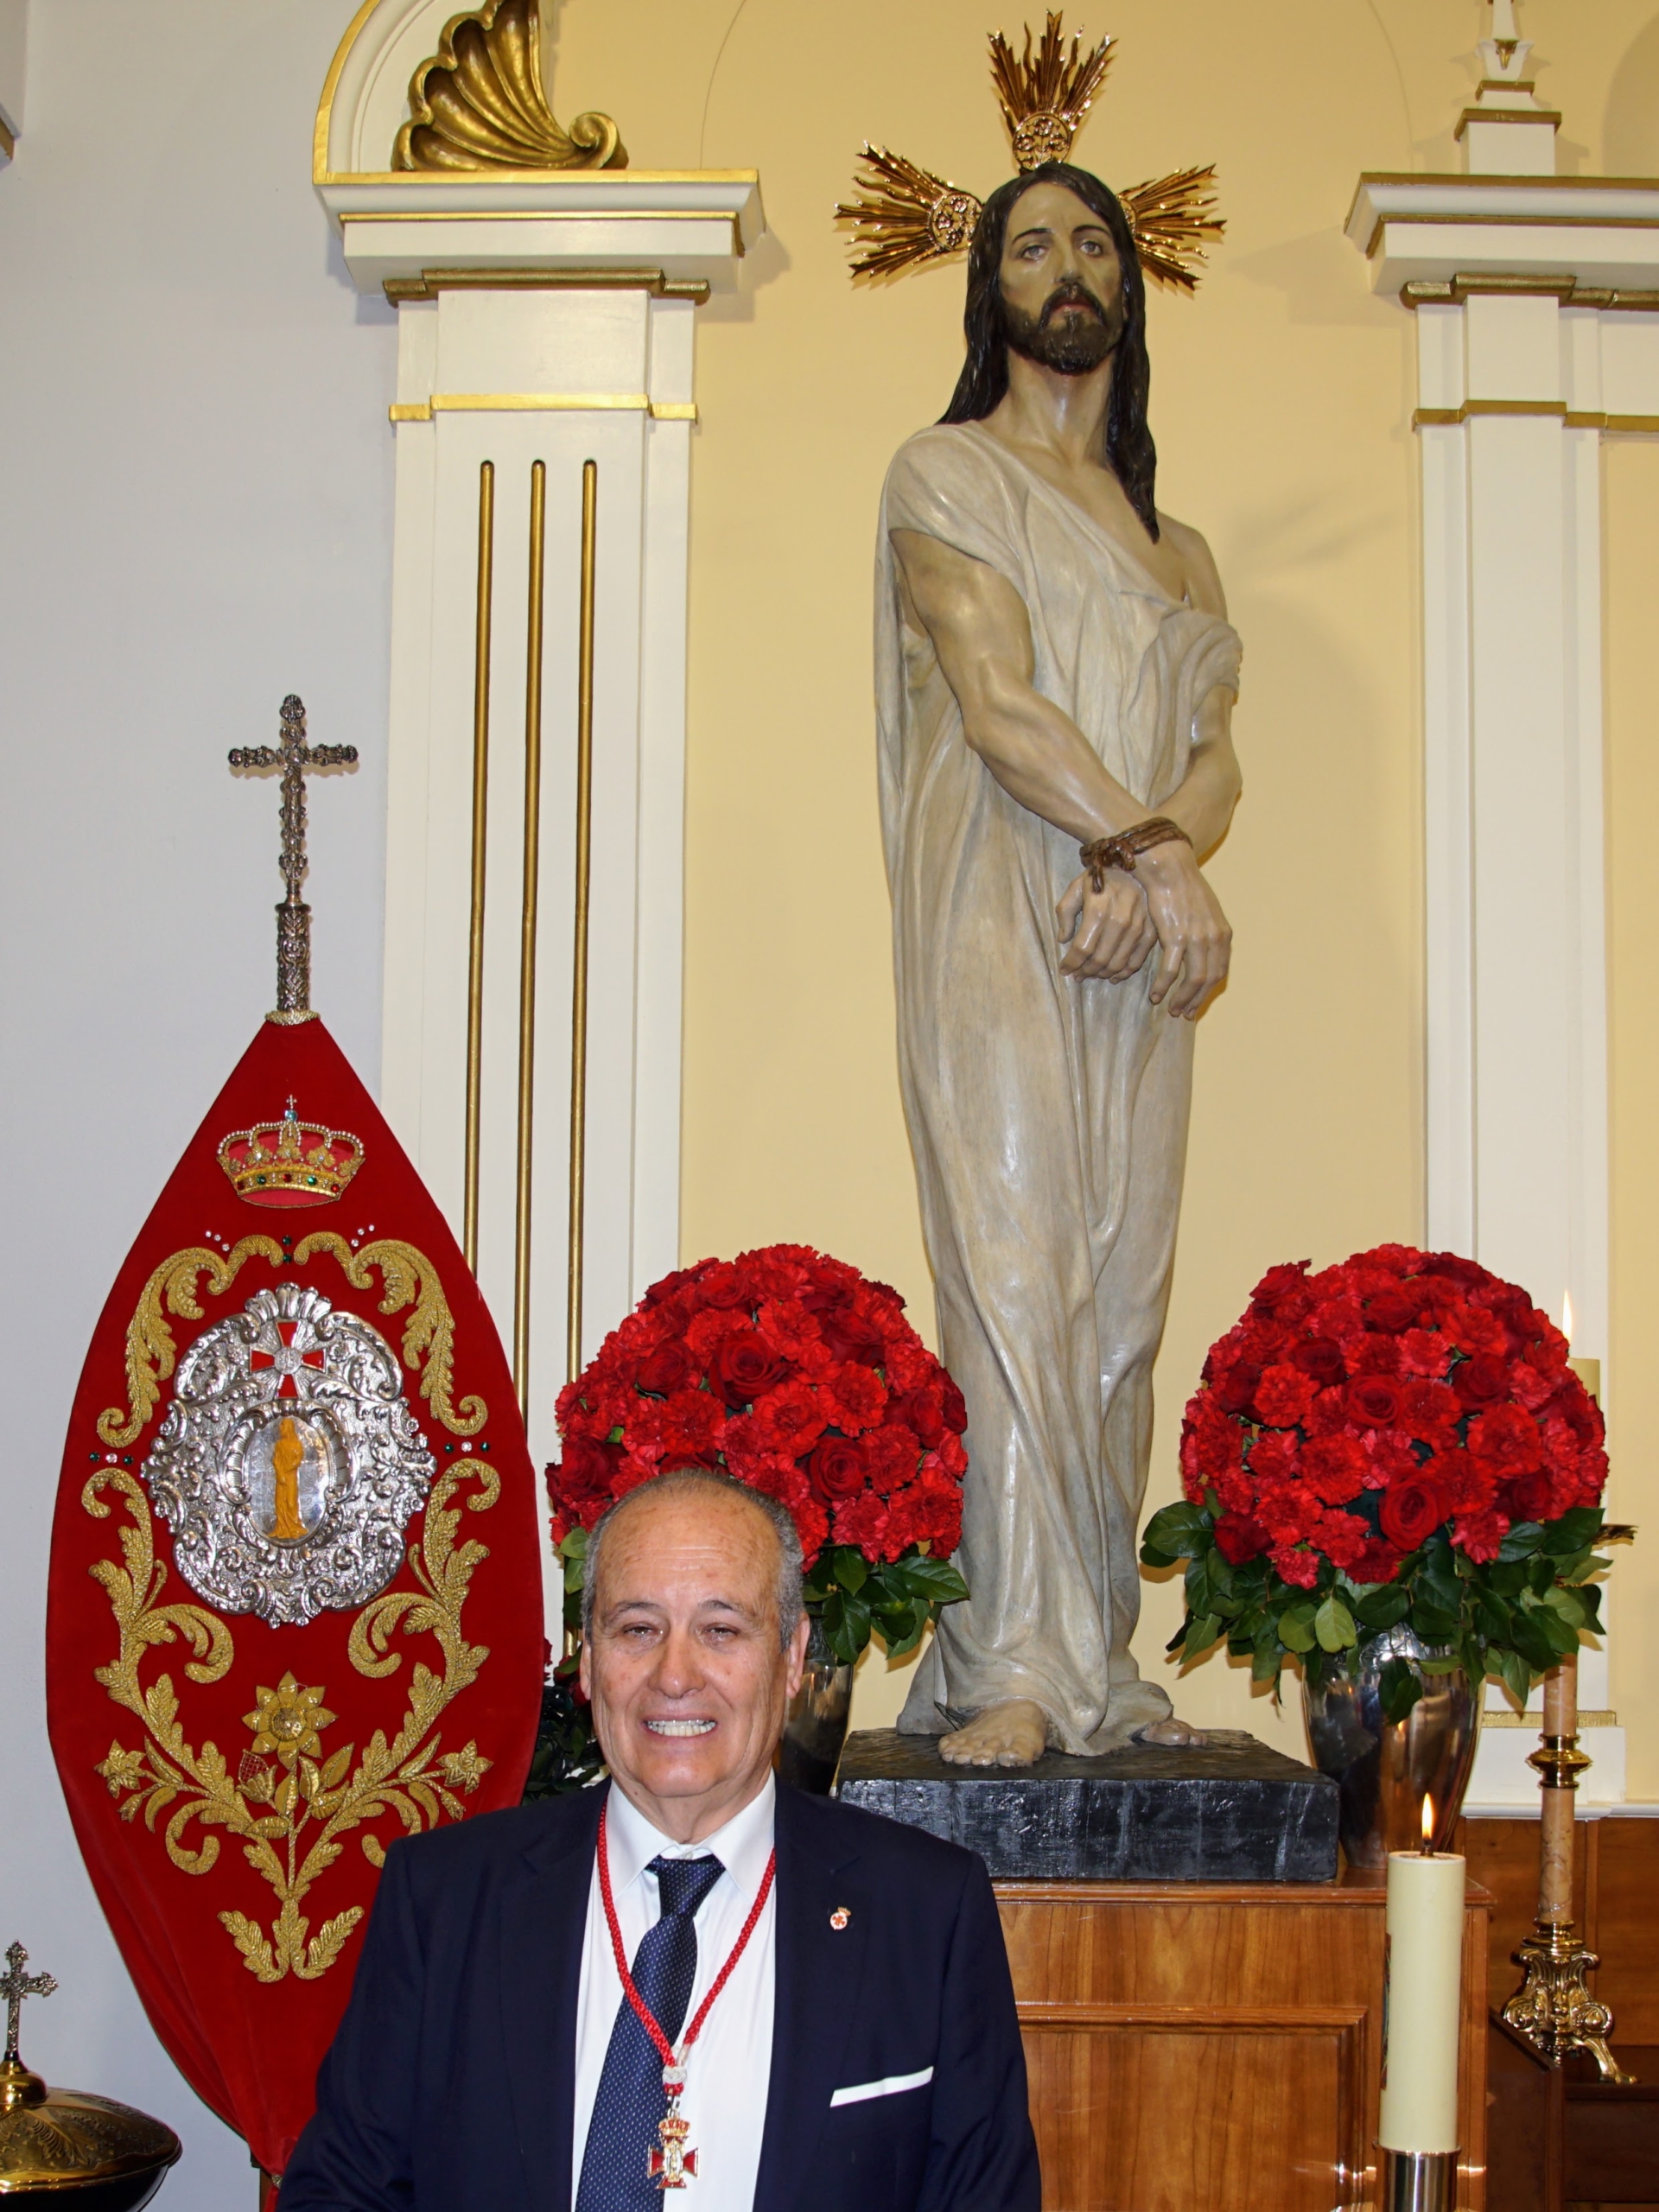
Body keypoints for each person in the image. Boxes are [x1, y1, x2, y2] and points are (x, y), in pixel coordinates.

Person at [878, 163, 1244, 1770]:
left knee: (1119, 1303)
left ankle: (1096, 1652)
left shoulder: (1184, 552)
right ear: (993, 291)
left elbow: (1217, 761)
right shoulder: (946, 472)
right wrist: (1148, 853)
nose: (1067, 266)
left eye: (1093, 241)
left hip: (1139, 943)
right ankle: (1010, 1663)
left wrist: (1159, 861)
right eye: (1032, 246)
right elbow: (998, 701)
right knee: (1016, 1270)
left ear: (1128, 285)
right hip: (996, 919)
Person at [278, 1468, 1040, 2210]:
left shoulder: (926, 1912)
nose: (675, 1676)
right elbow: (343, 2190)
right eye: (638, 1629)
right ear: (587, 1660)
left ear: (792, 1657)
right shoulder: (443, 1899)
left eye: (720, 1630)